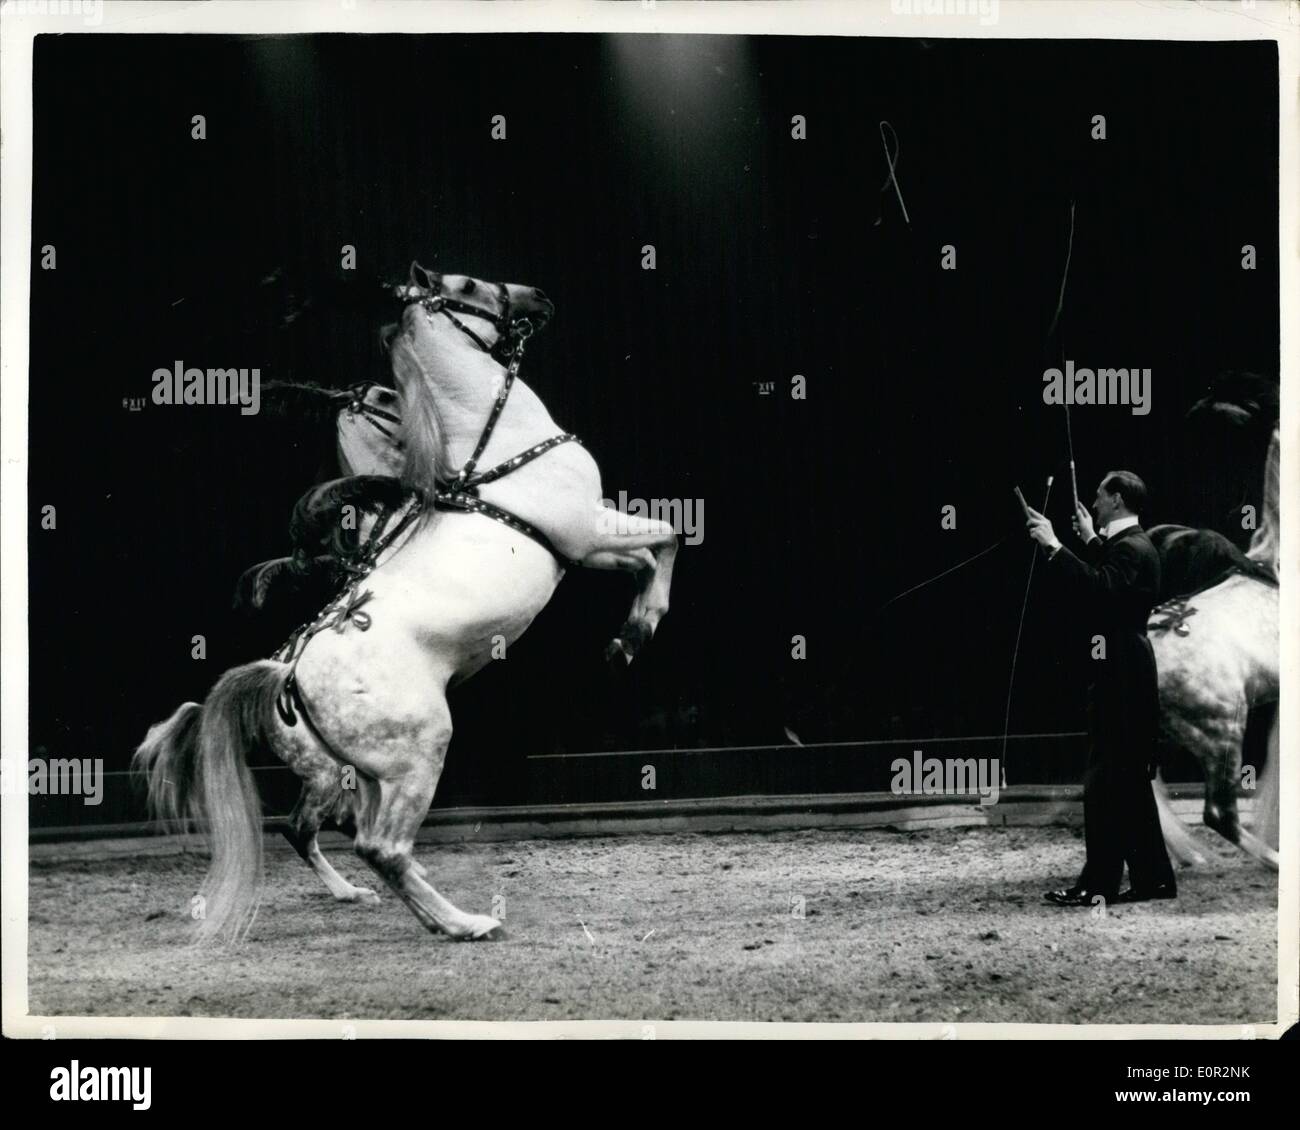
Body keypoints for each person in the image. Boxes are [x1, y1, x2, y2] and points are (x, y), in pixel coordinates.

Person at [1024, 471, 1177, 906]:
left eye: (1099, 496)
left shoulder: (1132, 549)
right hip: (1126, 669)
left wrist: (1055, 545)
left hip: (1122, 674)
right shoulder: (1132, 547)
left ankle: (1101, 884)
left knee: (1107, 781)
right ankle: (1152, 881)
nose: (1093, 500)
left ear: (1116, 498)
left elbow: (1100, 588)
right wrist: (1090, 538)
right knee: (1124, 781)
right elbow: (1110, 571)